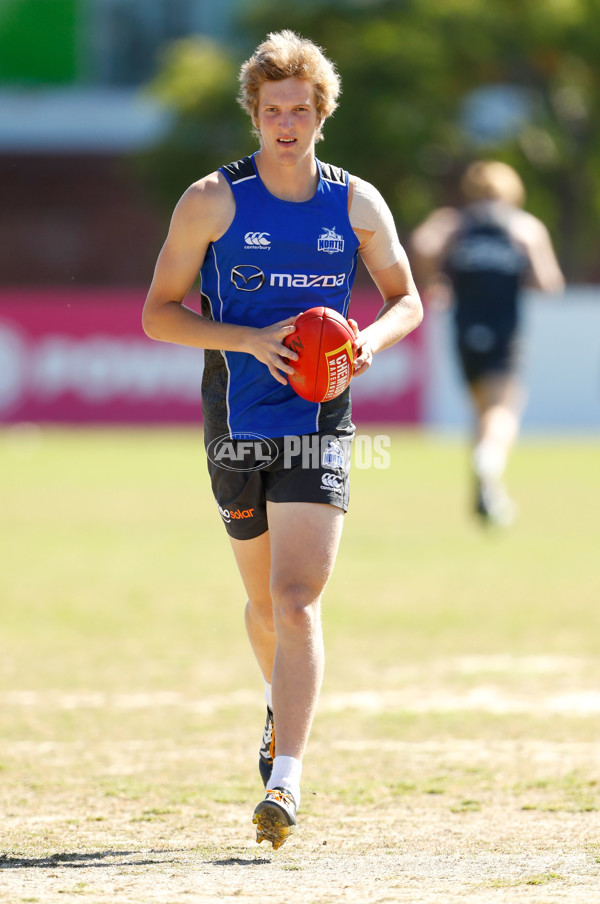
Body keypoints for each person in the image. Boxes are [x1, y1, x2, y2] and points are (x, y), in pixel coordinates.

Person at [142, 29, 422, 849]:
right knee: (263, 603)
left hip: (320, 421)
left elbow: (407, 298)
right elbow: (158, 315)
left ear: (321, 114)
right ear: (255, 115)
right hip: (236, 423)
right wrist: (250, 340)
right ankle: (279, 708)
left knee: (298, 600)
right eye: (273, 112)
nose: (287, 124)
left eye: (301, 110)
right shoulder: (211, 201)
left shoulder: (357, 202)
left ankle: (285, 782)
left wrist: (367, 345)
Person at [410, 161, 564, 526]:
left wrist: (437, 280)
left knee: (481, 409)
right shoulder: (523, 226)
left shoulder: (456, 223)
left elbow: (421, 243)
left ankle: (487, 495)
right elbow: (550, 283)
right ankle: (488, 462)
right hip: (505, 331)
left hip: (464, 329)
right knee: (504, 409)